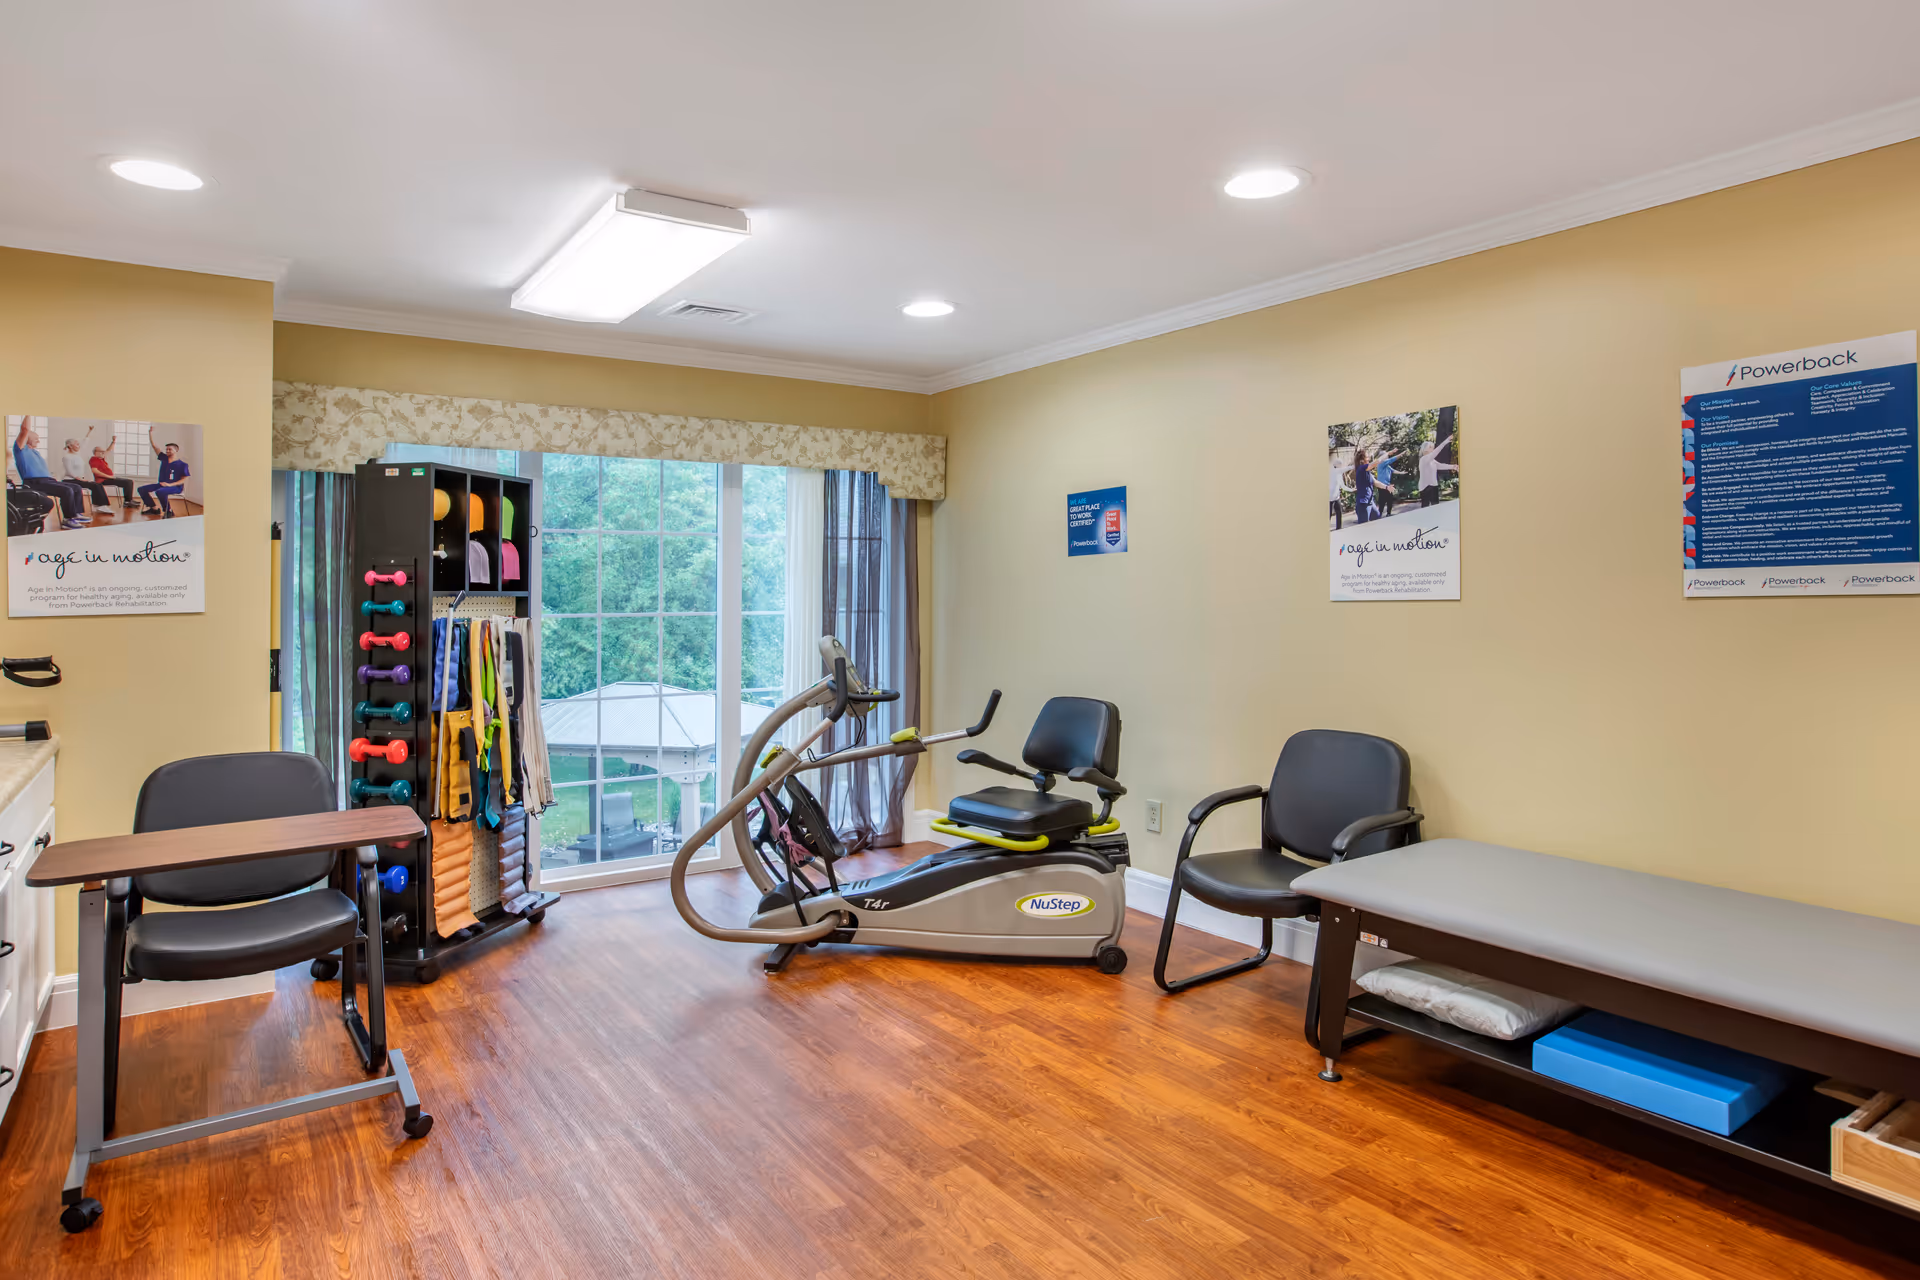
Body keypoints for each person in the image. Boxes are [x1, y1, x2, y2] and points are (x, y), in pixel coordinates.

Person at [11, 420, 88, 529]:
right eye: (36, 438)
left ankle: (76, 514)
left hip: (47, 480)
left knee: (76, 487)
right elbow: (25, 429)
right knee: (66, 491)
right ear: (27, 438)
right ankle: (68, 520)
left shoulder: (35, 452)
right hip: (35, 483)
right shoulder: (21, 450)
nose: (38, 440)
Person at [60, 438, 113, 513]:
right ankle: (100, 506)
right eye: (77, 444)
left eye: (78, 444)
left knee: (96, 484)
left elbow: (84, 443)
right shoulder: (66, 457)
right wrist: (79, 479)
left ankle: (98, 506)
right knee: (95, 485)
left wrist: (89, 432)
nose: (79, 446)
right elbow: (69, 472)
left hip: (78, 479)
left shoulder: (78, 455)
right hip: (70, 480)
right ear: (70, 446)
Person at [138, 442, 190, 517]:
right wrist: (150, 433)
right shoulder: (164, 459)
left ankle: (168, 511)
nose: (167, 451)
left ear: (176, 450)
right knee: (142, 489)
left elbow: (183, 480)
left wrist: (169, 484)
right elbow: (155, 447)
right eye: (166, 449)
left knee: (160, 492)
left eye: (170, 449)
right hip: (162, 485)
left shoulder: (183, 465)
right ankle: (154, 509)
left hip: (175, 487)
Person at [87, 439, 137, 509]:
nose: (103, 453)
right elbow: (95, 471)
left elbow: (108, 450)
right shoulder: (94, 459)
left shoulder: (101, 458)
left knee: (129, 481)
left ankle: (129, 500)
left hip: (109, 478)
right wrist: (109, 477)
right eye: (101, 451)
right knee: (127, 482)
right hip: (103, 480)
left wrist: (113, 442)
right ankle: (127, 502)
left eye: (103, 451)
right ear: (95, 452)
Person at [1418, 434, 1458, 508]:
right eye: (1430, 447)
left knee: (1436, 507)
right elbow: (1435, 452)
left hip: (1433, 486)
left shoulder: (1432, 461)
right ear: (1425, 449)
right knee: (1425, 508)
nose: (1432, 449)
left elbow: (1441, 465)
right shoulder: (1423, 459)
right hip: (1425, 488)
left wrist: (1453, 466)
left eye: (1432, 447)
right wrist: (1445, 441)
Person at [1372, 448, 1404, 517]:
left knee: (1389, 499)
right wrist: (1401, 455)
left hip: (1388, 485)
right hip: (1382, 485)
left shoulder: (1387, 466)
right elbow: (1392, 460)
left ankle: (1388, 513)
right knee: (1382, 500)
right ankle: (1379, 514)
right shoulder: (1381, 464)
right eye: (1386, 456)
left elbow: (1393, 471)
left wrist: (1401, 473)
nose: (1387, 457)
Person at [1350, 445, 1378, 524]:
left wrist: (1386, 487)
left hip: (1370, 501)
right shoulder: (1362, 468)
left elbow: (1375, 482)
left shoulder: (1366, 470)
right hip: (1363, 503)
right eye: (1367, 457)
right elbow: (1375, 463)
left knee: (1377, 517)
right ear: (1363, 459)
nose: (1368, 458)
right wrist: (1388, 454)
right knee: (1363, 527)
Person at [1328, 456, 1352, 529]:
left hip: (1336, 497)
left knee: (1339, 512)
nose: (1341, 467)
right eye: (1340, 465)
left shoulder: (1338, 474)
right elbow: (1345, 469)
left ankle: (1339, 527)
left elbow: (1342, 486)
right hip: (1329, 498)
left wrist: (1351, 490)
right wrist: (1355, 466)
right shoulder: (1332, 470)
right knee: (1329, 514)